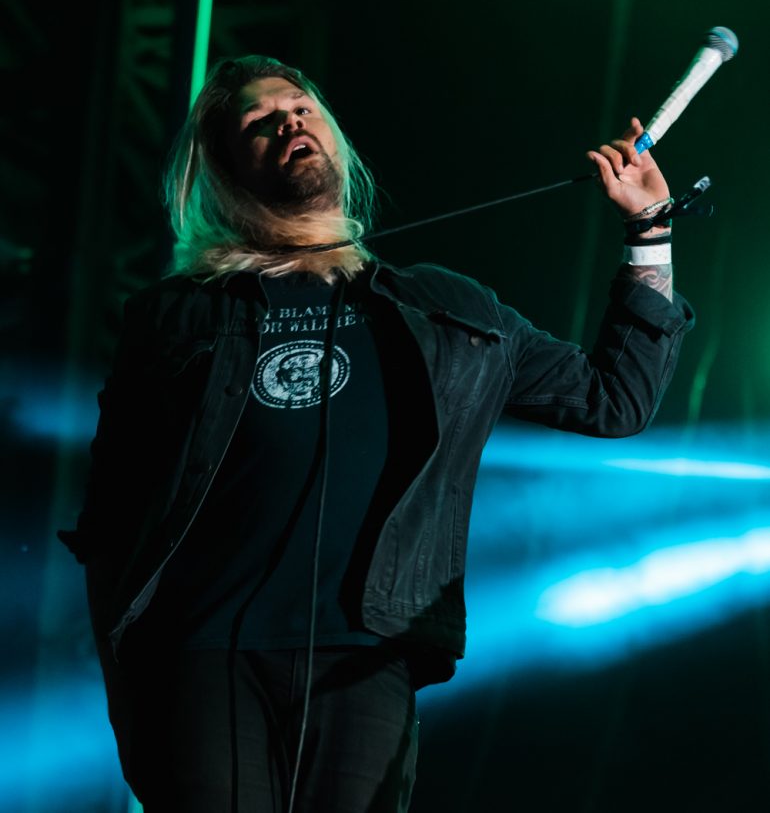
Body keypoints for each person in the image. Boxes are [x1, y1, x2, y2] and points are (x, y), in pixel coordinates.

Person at [58, 54, 694, 813]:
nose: (289, 122)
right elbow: (110, 522)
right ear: (228, 170)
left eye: (301, 108)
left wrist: (649, 229)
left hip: (366, 658)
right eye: (260, 121)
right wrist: (125, 686)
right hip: (203, 653)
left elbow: (613, 400)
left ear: (332, 135)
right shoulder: (176, 316)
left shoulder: (447, 309)